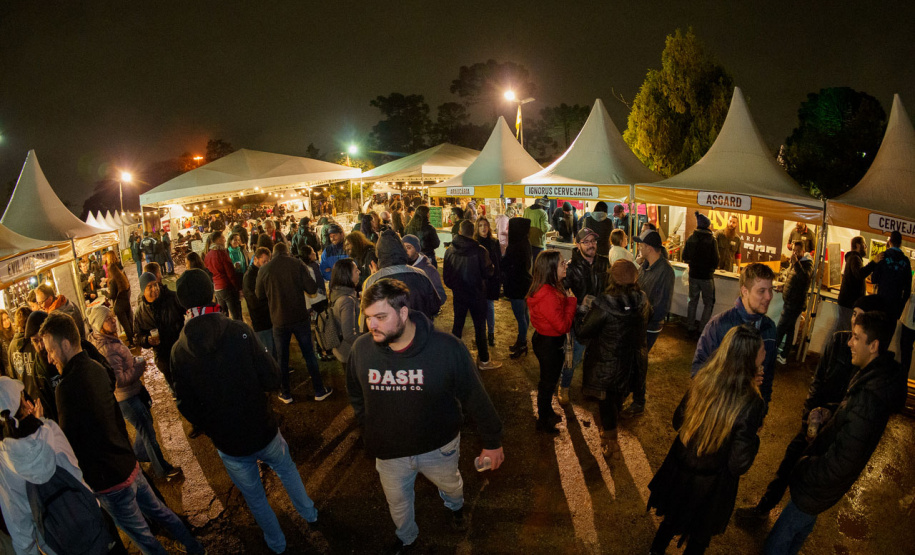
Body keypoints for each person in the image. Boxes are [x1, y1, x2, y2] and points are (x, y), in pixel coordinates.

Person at [346, 278, 504, 553]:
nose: (372, 325)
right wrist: (368, 425)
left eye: (381, 317)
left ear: (403, 313)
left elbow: (475, 396)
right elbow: (355, 393)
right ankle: (407, 538)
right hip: (389, 453)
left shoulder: (447, 348)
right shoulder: (361, 349)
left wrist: (493, 440)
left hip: (438, 448)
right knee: (398, 504)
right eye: (369, 317)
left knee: (452, 486)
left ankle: (454, 507)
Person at [170, 269, 320, 554]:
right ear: (211, 293)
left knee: (255, 496)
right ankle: (310, 514)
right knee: (286, 469)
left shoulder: (179, 351)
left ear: (183, 304)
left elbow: (185, 404)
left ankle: (277, 543)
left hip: (229, 442)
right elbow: (271, 376)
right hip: (262, 427)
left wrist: (210, 425)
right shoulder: (239, 330)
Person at [39, 313, 205, 555]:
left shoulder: (65, 388)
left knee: (144, 538)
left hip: (108, 481)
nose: (49, 358)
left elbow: (69, 444)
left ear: (65, 344)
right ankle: (196, 548)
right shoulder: (97, 368)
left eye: (50, 350)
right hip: (128, 465)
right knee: (161, 513)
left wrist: (44, 428)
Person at [763, 311, 906, 554]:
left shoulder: (868, 397)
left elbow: (842, 461)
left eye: (856, 338)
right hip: (822, 490)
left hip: (815, 488)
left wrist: (805, 468)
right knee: (796, 535)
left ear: (873, 346)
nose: (849, 342)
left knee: (778, 543)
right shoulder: (873, 379)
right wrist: (832, 413)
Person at [736, 294, 885, 524]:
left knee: (812, 481)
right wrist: (808, 418)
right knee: (787, 464)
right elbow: (817, 381)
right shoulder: (838, 342)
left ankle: (793, 524)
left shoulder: (871, 369)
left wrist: (830, 421)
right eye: (854, 315)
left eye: (861, 318)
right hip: (813, 422)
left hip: (833, 432)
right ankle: (763, 508)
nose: (855, 322)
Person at [647, 325, 768, 555]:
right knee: (699, 538)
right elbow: (738, 463)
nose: (766, 354)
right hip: (711, 488)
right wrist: (755, 437)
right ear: (749, 358)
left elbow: (677, 421)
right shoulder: (752, 403)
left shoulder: (704, 377)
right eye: (762, 350)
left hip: (680, 473)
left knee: (670, 521)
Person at [0, 376, 114, 555]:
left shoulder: (4, 462)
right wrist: (40, 423)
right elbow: (75, 471)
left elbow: (18, 520)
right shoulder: (50, 429)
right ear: (23, 403)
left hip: (56, 543)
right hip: (89, 521)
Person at [87, 305, 179, 480]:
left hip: (129, 394)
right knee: (147, 431)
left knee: (145, 425)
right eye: (108, 319)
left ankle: (141, 454)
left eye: (112, 316)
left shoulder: (108, 340)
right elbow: (118, 379)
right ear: (99, 324)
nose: (114, 320)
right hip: (126, 397)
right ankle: (163, 470)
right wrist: (139, 367)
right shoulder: (106, 348)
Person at [576, 260, 650, 456]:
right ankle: (611, 434)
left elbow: (584, 332)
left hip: (607, 366)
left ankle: (611, 442)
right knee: (617, 401)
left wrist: (581, 311)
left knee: (606, 404)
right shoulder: (642, 300)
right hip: (631, 365)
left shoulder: (604, 304)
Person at [256, 242, 332, 404]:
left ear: (273, 254)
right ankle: (319, 390)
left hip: (278, 319)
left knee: (282, 359)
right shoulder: (297, 264)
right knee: (309, 355)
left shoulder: (265, 269)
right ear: (288, 252)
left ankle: (286, 393)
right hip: (299, 318)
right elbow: (312, 289)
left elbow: (259, 294)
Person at [693, 263, 778, 404]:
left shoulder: (769, 328)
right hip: (720, 410)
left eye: (771, 290)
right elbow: (698, 373)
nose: (769, 297)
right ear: (745, 291)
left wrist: (761, 412)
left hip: (748, 415)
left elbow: (767, 378)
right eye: (761, 291)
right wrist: (743, 381)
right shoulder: (719, 326)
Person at [626, 229, 675, 416]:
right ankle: (631, 395)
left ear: (648, 247)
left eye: (641, 244)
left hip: (649, 326)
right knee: (634, 361)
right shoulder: (645, 265)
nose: (639, 247)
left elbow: (662, 306)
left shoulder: (665, 271)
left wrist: (642, 318)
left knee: (639, 363)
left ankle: (638, 402)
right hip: (639, 322)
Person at [527, 251, 577, 433]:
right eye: (562, 263)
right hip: (549, 343)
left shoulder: (551, 286)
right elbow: (562, 325)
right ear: (551, 269)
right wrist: (572, 302)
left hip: (549, 341)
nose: (566, 266)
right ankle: (543, 421)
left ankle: (547, 412)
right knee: (547, 383)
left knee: (549, 381)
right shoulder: (547, 293)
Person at [444, 220, 502, 370]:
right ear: (473, 232)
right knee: (480, 328)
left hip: (460, 296)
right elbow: (489, 272)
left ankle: (452, 357)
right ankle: (484, 361)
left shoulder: (450, 250)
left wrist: (457, 287)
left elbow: (447, 278)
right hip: (477, 295)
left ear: (460, 232)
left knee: (457, 326)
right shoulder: (480, 250)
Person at [561, 228, 610, 404]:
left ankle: (591, 388)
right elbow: (564, 294)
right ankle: (564, 387)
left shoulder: (604, 263)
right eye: (586, 242)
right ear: (578, 244)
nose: (591, 245)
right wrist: (580, 305)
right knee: (574, 358)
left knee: (597, 357)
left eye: (593, 241)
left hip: (601, 319)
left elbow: (610, 287)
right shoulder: (571, 268)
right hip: (580, 321)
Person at [362, 230, 442, 320]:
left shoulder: (372, 281)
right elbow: (435, 307)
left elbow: (365, 318)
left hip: (390, 333)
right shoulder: (421, 274)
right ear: (402, 250)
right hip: (420, 329)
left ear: (379, 254)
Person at [133, 271, 185, 387]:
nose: (154, 289)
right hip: (162, 356)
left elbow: (187, 310)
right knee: (174, 386)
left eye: (155, 284)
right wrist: (147, 340)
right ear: (143, 290)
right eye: (149, 286)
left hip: (180, 348)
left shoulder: (172, 298)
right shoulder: (140, 313)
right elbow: (137, 337)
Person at [8, 311, 59, 422]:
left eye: (42, 339)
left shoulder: (63, 356)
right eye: (35, 341)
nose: (40, 345)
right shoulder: (37, 368)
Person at [774, 240, 814, 364]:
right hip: (790, 301)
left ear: (803, 251)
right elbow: (793, 280)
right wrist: (784, 287)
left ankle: (771, 352)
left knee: (780, 328)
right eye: (793, 251)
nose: (795, 253)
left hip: (794, 303)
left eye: (797, 251)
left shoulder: (807, 264)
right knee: (789, 329)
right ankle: (784, 356)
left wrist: (796, 263)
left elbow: (804, 278)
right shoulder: (797, 262)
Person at [682, 212, 720, 338]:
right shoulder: (712, 240)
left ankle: (690, 326)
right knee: (709, 302)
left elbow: (684, 256)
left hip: (693, 275)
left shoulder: (691, 238)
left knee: (692, 301)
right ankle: (702, 328)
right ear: (707, 225)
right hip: (706, 277)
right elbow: (716, 260)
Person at [864, 230, 912, 321]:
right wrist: (901, 306)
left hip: (881, 301)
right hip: (895, 305)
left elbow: (874, 279)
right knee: (890, 331)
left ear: (889, 242)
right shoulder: (906, 261)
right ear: (900, 243)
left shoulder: (882, 256)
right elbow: (907, 289)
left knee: (879, 329)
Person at [501, 217, 533, 359]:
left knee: (520, 317)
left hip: (516, 286)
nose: (508, 230)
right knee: (524, 315)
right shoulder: (524, 243)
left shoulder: (516, 246)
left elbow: (508, 265)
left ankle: (522, 344)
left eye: (510, 227)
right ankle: (521, 341)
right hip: (524, 284)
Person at [329, 258, 365, 370]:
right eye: (356, 270)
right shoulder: (346, 300)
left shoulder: (337, 293)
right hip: (349, 352)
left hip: (342, 349)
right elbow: (349, 334)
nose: (359, 272)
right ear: (347, 275)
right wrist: (366, 344)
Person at [243, 247, 275, 358]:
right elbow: (253, 301)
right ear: (256, 259)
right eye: (264, 261)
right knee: (267, 349)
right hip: (261, 319)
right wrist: (270, 304)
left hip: (269, 317)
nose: (267, 263)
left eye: (268, 261)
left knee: (273, 346)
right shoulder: (250, 276)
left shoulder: (263, 272)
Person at [474, 217, 502, 347]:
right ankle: (481, 335)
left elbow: (498, 261)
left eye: (485, 225)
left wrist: (498, 277)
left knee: (490, 307)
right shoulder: (474, 243)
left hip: (491, 280)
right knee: (479, 309)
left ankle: (491, 334)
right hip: (479, 281)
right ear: (477, 228)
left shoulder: (494, 242)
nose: (484, 228)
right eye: (480, 225)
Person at [204, 231, 243, 321]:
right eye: (223, 238)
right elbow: (230, 273)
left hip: (217, 288)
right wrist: (238, 287)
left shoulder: (208, 255)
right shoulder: (221, 253)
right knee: (235, 314)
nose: (225, 240)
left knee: (223, 314)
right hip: (226, 287)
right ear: (218, 240)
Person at [835, 236, 871, 332]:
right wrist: (873, 263)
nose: (866, 247)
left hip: (847, 303)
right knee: (845, 331)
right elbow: (859, 274)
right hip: (848, 304)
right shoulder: (855, 258)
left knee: (843, 329)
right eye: (864, 244)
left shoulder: (853, 258)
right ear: (858, 245)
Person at [402, 234, 447, 305]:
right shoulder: (402, 267)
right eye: (403, 248)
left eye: (408, 248)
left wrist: (425, 306)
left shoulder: (429, 270)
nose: (405, 251)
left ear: (417, 249)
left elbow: (441, 296)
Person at [104, 251, 136, 348]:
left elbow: (112, 295)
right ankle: (133, 338)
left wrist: (105, 293)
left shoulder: (113, 281)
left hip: (119, 306)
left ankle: (131, 342)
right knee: (129, 322)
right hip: (125, 302)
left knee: (125, 325)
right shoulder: (121, 277)